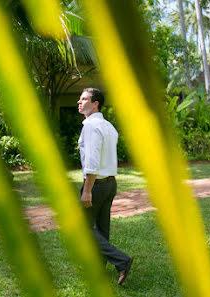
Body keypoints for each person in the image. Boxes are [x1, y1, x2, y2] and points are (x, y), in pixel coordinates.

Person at [77, 88, 133, 285]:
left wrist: (87, 190)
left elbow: (92, 161)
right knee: (101, 226)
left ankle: (122, 261)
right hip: (110, 183)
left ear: (95, 104)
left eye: (84, 99)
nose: (79, 102)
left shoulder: (92, 127)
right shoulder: (109, 126)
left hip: (97, 184)